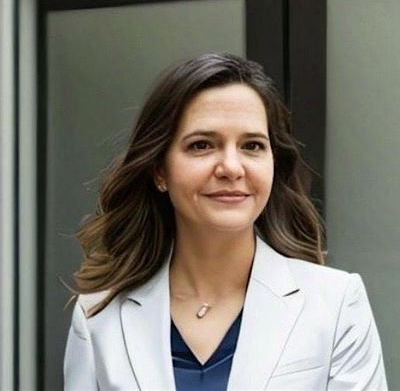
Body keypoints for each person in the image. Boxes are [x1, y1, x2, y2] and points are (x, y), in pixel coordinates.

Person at [64, 53, 387, 390]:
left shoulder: (336, 304)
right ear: (159, 170)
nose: (231, 167)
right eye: (202, 145)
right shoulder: (98, 318)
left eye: (252, 146)